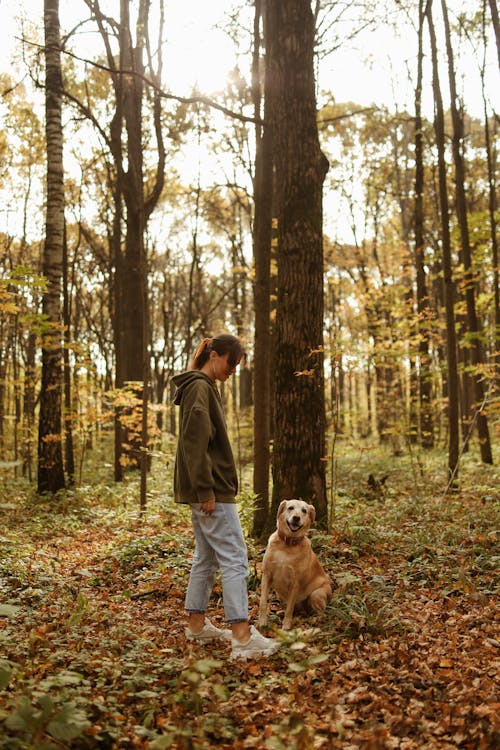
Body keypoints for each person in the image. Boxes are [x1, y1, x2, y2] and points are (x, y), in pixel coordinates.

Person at [172, 333, 279, 660]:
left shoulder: (199, 388)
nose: (234, 369)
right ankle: (242, 637)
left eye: (237, 364)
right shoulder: (200, 388)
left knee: (206, 556)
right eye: (231, 362)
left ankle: (196, 625)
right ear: (214, 355)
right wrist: (205, 489)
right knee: (235, 557)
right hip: (212, 491)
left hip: (209, 489)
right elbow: (194, 443)